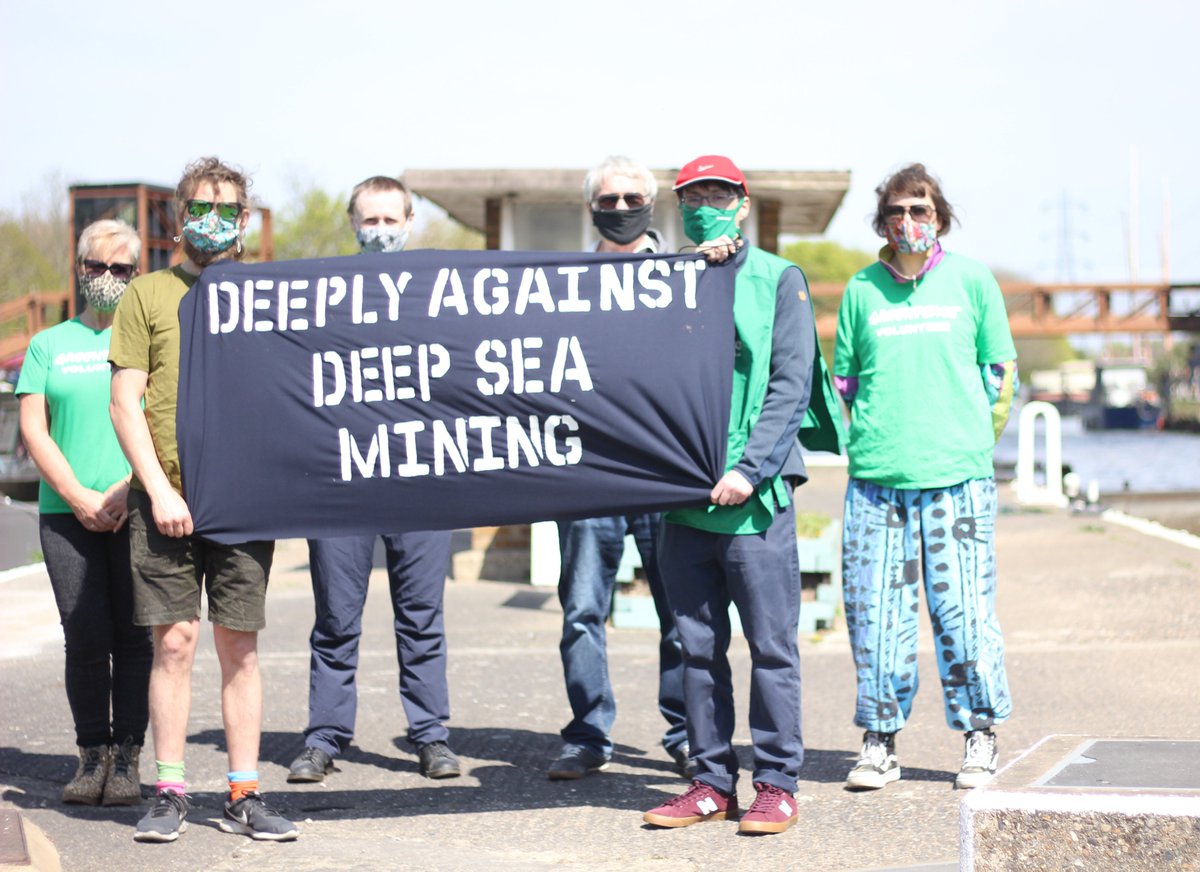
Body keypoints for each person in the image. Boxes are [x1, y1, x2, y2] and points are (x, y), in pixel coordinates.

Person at [642, 155, 841, 836]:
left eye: (718, 193)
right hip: (681, 499)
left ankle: (778, 782)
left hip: (753, 500)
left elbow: (791, 383)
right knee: (694, 645)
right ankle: (708, 781)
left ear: (743, 202)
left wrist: (751, 469)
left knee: (771, 646)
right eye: (692, 195)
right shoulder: (664, 283)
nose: (706, 203)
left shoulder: (779, 280)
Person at [109, 157, 298, 842]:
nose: (211, 220)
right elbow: (125, 401)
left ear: (244, 220)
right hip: (165, 503)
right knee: (176, 643)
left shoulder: (267, 293)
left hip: (244, 504)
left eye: (225, 209)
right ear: (177, 215)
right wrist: (157, 489)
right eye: (199, 207)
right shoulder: (147, 295)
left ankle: (244, 792)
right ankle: (168, 789)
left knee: (239, 646)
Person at [833, 163, 1016, 792]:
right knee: (876, 613)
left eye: (921, 211)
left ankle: (980, 735)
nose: (909, 223)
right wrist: (874, 442)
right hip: (878, 477)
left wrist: (965, 442)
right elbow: (845, 385)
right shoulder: (861, 290)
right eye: (897, 212)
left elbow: (1000, 376)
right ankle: (880, 741)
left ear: (939, 217)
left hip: (957, 477)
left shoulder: (973, 282)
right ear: (882, 221)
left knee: (963, 612)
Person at [287, 176, 461, 784]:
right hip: (343, 481)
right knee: (336, 618)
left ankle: (431, 735)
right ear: (352, 223)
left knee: (421, 615)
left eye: (391, 220)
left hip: (420, 478)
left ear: (410, 223)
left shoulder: (439, 295)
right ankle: (325, 736)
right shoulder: (320, 295)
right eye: (370, 220)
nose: (380, 231)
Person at [546, 157, 689, 781]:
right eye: (610, 198)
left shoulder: (689, 274)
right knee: (582, 611)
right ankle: (588, 734)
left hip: (662, 470)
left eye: (633, 196)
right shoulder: (560, 282)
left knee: (681, 612)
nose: (622, 205)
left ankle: (687, 733)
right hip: (588, 471)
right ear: (591, 207)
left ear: (652, 204)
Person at [17, 220, 153, 807]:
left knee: (135, 635)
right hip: (66, 514)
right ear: (79, 269)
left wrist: (128, 489)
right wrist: (76, 495)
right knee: (85, 636)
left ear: (136, 275)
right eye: (97, 267)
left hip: (138, 505)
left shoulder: (151, 341)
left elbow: (163, 423)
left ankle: (127, 758)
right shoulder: (50, 344)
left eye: (121, 269)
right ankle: (91, 754)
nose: (108, 278)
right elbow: (33, 428)